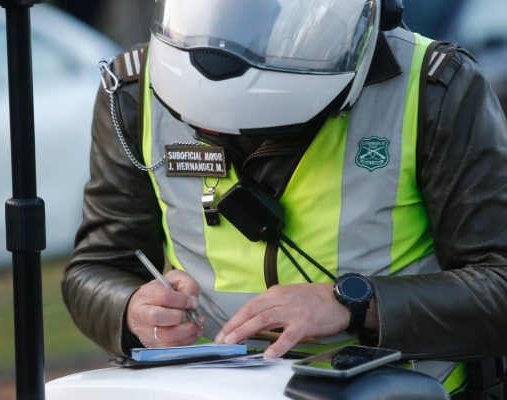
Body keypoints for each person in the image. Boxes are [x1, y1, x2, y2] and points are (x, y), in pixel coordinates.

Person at [62, 0, 507, 396]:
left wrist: (353, 304)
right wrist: (131, 310)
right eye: (206, 130)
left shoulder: (435, 88)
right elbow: (95, 269)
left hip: (408, 389)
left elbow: (498, 285)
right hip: (207, 390)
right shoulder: (135, 92)